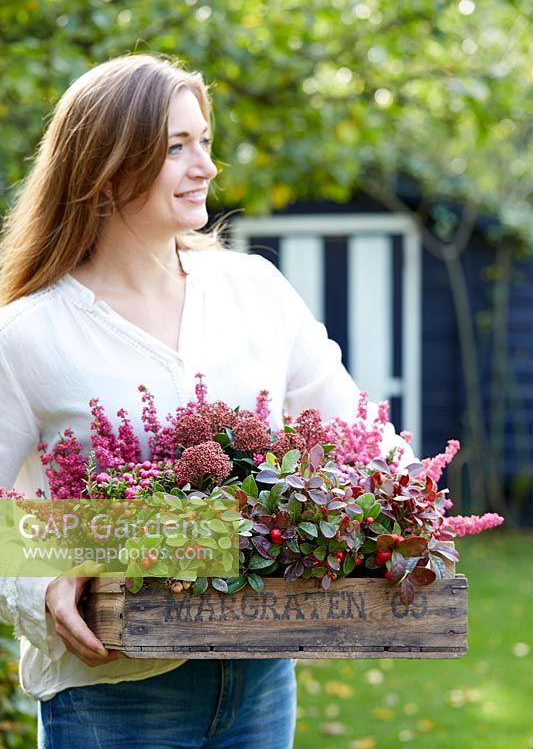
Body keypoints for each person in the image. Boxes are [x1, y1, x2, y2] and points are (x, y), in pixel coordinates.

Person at [0, 54, 413, 748]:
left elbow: (358, 435)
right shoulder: (28, 332)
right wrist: (40, 582)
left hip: (258, 673)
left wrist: (407, 506)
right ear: (106, 168)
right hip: (113, 692)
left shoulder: (252, 289)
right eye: (176, 148)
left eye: (206, 142)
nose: (206, 167)